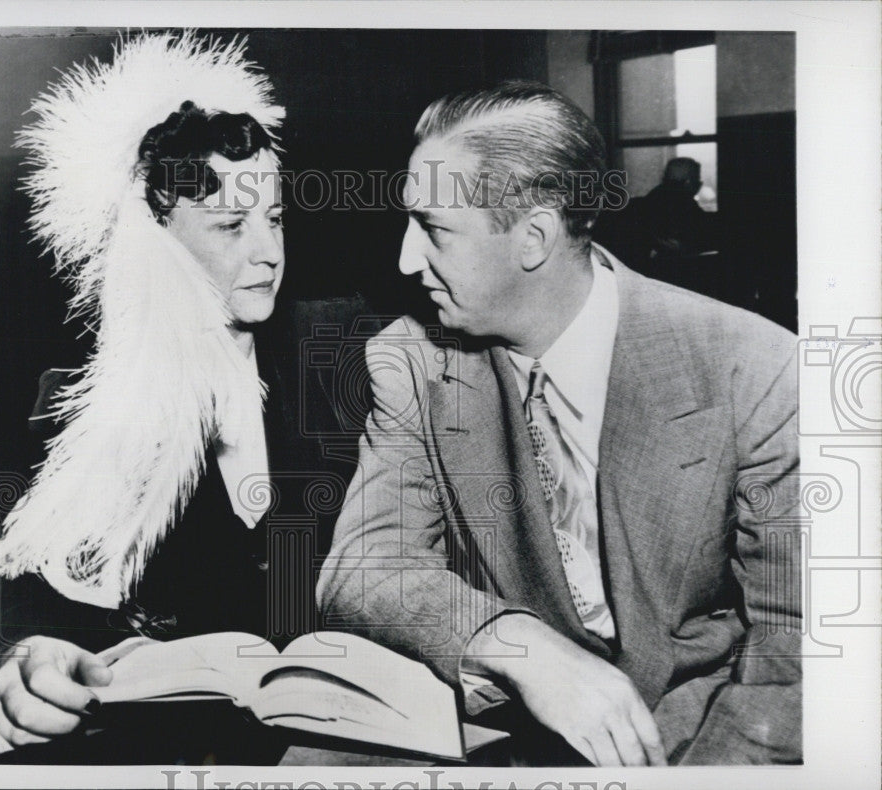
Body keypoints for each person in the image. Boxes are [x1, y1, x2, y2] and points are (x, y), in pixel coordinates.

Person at [316, 82, 800, 766]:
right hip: (503, 725)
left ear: (535, 238)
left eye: (433, 229)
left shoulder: (753, 367)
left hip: (701, 726)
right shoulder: (414, 361)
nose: (405, 260)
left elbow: (798, 643)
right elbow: (363, 564)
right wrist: (518, 644)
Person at [0, 32, 357, 760]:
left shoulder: (343, 359)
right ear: (153, 241)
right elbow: (36, 592)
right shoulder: (77, 405)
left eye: (275, 218)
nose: (268, 253)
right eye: (229, 225)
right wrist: (26, 656)